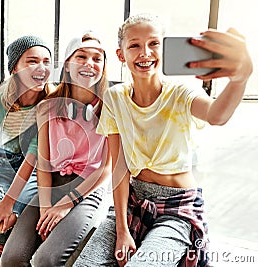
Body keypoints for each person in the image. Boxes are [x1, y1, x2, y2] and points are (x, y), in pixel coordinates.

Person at [73, 13, 253, 267]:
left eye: (154, 43)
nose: (145, 52)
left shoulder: (181, 92)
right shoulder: (115, 98)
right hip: (134, 201)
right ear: (121, 55)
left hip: (177, 207)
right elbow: (120, 167)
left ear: (165, 48)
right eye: (134, 45)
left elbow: (217, 115)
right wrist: (122, 230)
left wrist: (239, 78)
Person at [0, 31, 112, 267]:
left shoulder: (111, 106)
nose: (89, 64)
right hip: (50, 185)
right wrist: (45, 206)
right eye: (81, 57)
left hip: (87, 189)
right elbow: (43, 162)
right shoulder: (47, 107)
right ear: (68, 65)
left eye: (97, 58)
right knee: (11, 258)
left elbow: (106, 168)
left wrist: (66, 204)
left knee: (46, 260)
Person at [0, 35, 53, 267]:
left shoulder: (49, 103)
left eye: (47, 62)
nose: (42, 68)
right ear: (15, 67)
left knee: (4, 224)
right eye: (32, 61)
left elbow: (33, 155)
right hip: (3, 165)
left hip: (34, 170)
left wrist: (9, 203)